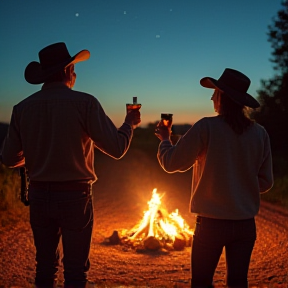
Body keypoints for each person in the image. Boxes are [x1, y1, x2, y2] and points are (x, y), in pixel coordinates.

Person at [1, 42, 141, 288]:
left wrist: (36, 155)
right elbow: (117, 148)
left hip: (39, 196)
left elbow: (10, 158)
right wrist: (129, 123)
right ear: (67, 71)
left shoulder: (22, 108)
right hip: (76, 197)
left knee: (45, 266)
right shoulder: (85, 103)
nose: (75, 74)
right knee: (75, 271)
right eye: (74, 68)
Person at [155, 68, 273, 288]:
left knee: (201, 283)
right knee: (238, 283)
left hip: (211, 225)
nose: (211, 97)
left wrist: (164, 139)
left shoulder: (206, 127)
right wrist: (239, 186)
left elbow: (172, 163)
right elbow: (266, 182)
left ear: (222, 97)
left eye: (215, 92)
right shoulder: (260, 133)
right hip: (245, 224)